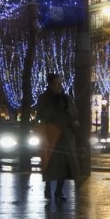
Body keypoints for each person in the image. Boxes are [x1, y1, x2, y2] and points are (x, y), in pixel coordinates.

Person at [34, 76, 77, 204]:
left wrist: (68, 111)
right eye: (57, 84)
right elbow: (41, 115)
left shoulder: (66, 98)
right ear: (50, 85)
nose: (60, 86)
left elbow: (74, 113)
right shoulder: (44, 98)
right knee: (50, 162)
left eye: (60, 84)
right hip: (51, 135)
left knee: (65, 163)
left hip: (65, 135)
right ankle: (48, 186)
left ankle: (59, 190)